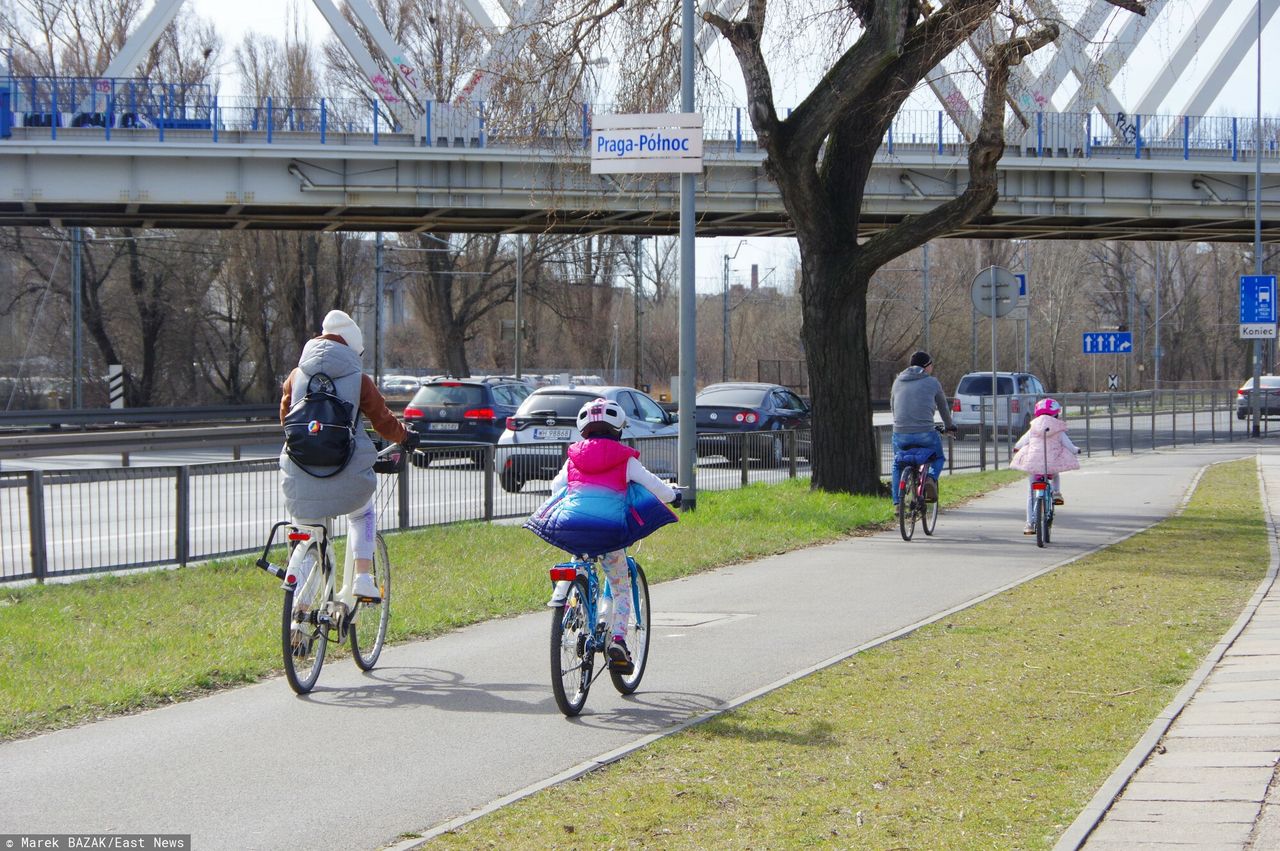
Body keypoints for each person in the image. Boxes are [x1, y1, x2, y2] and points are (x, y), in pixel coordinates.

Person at [523, 397, 680, 673]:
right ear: (618, 428)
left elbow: (556, 486)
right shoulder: (624, 459)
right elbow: (654, 486)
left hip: (574, 529)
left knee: (580, 564)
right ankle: (618, 639)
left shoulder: (573, 457)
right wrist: (673, 495)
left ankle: (575, 610)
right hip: (609, 533)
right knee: (620, 588)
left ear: (583, 430)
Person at [278, 309, 418, 600]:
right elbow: (383, 422)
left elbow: (285, 420)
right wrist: (405, 436)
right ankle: (363, 579)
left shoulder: (296, 376)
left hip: (299, 474)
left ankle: (297, 608)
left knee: (307, 532)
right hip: (347, 476)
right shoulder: (358, 379)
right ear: (352, 348)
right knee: (362, 513)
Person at [890, 350, 957, 505]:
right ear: (926, 366)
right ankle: (929, 479)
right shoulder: (932, 382)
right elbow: (943, 408)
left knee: (898, 463)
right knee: (938, 457)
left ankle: (897, 503)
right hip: (925, 432)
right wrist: (949, 426)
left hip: (900, 432)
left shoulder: (898, 381)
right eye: (931, 365)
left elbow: (893, 407)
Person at [1010, 397, 1080, 535]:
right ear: (1056, 414)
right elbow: (1068, 445)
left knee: (1031, 494)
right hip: (1050, 465)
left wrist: (1016, 449)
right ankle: (1056, 493)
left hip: (1034, 465)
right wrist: (1075, 450)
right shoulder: (1058, 430)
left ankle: (1029, 524)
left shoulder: (1033, 428)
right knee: (1055, 474)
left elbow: (1021, 442)